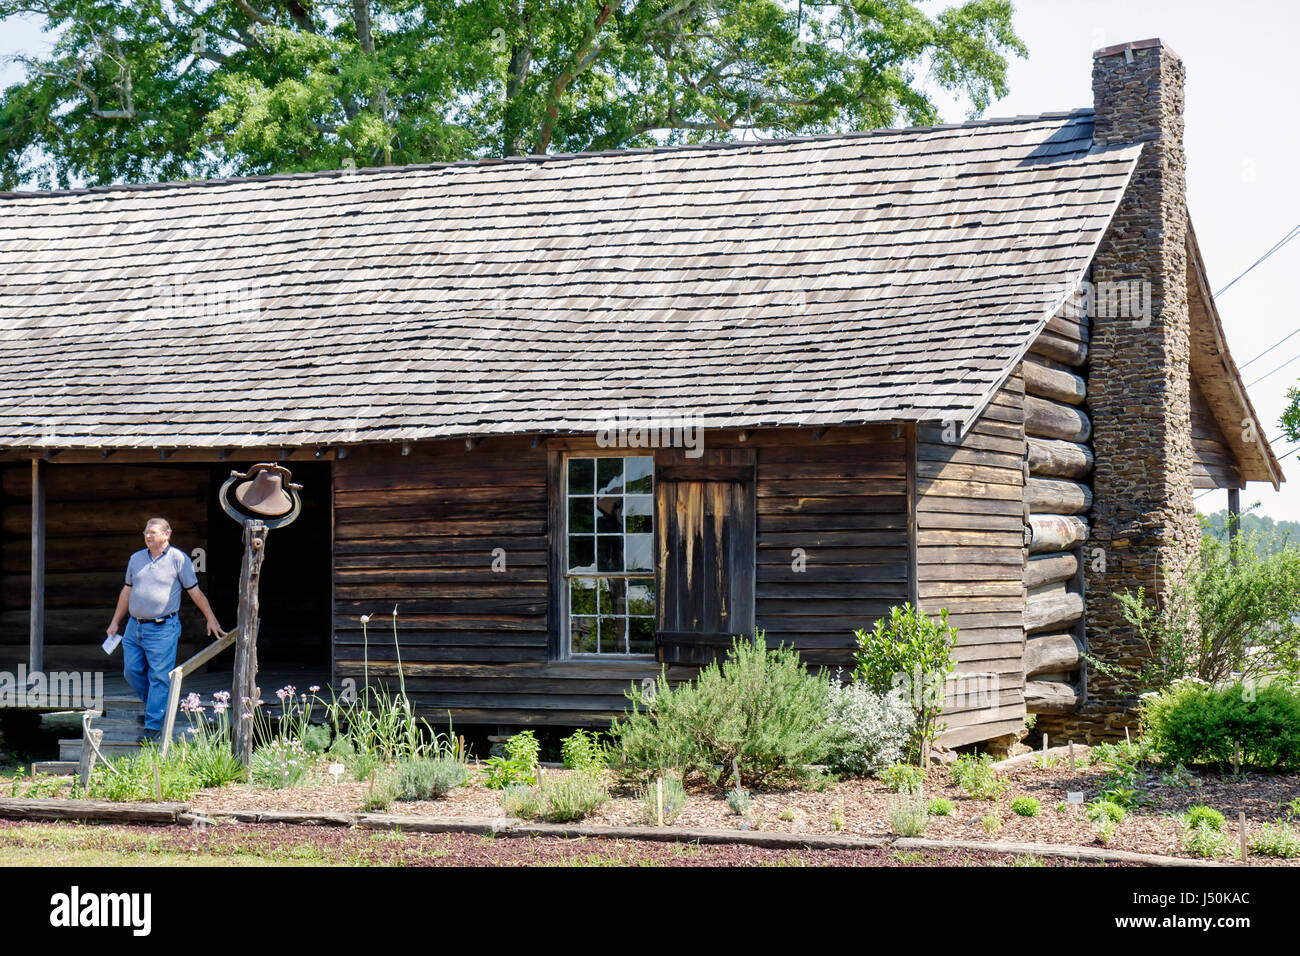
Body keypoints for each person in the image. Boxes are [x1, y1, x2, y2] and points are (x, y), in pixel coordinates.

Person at [106, 518, 224, 743]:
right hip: (134, 626)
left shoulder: (178, 559)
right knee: (131, 672)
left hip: (163, 628)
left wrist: (211, 618)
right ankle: (157, 707)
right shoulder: (136, 558)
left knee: (159, 676)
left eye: (152, 532)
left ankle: (152, 727)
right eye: (145, 533)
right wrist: (115, 622)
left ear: (167, 534)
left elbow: (195, 592)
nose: (147, 536)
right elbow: (126, 592)